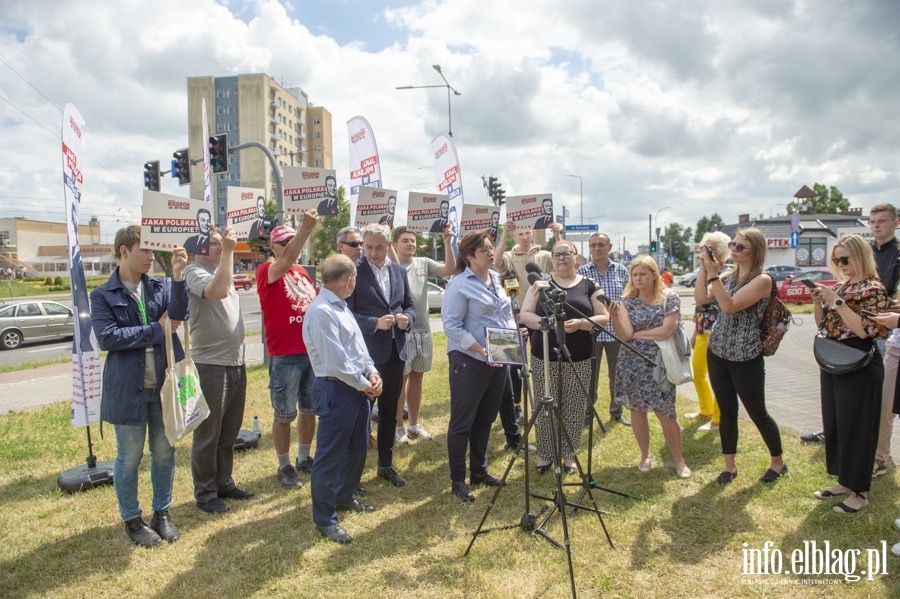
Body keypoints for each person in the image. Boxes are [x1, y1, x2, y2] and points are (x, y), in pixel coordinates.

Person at [90, 225, 188, 547]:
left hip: (163, 386)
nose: (150, 257)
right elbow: (108, 338)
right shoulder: (103, 295)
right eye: (144, 251)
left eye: (152, 251)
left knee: (164, 451)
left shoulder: (159, 286)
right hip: (128, 389)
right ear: (124, 251)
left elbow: (178, 315)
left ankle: (162, 513)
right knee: (129, 457)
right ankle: (132, 519)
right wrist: (154, 331)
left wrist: (177, 276)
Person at [802, 203, 900, 454]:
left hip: (882, 326)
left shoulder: (895, 256)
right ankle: (851, 442)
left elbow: (881, 301)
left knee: (880, 402)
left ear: (895, 223)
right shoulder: (860, 259)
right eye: (873, 221)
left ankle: (878, 455)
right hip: (854, 329)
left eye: (882, 221)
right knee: (849, 401)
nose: (876, 225)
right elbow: (825, 325)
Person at [696, 227, 787, 485]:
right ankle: (730, 466)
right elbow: (702, 299)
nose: (733, 250)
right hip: (719, 352)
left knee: (758, 412)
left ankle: (778, 462)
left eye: (740, 247)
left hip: (746, 356)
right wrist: (705, 269)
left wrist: (714, 275)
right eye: (733, 245)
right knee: (726, 412)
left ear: (755, 251)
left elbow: (730, 305)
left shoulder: (763, 280)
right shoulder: (726, 275)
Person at [304, 254, 382, 544]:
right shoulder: (323, 311)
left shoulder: (341, 307)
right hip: (337, 389)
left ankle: (345, 497)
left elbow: (358, 349)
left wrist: (372, 372)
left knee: (357, 448)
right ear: (349, 281)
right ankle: (325, 518)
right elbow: (336, 362)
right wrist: (366, 384)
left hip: (356, 388)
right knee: (331, 455)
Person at [809, 235, 889, 513]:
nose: (841, 265)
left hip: (860, 361)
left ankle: (859, 492)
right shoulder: (841, 286)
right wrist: (820, 302)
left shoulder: (874, 288)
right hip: (833, 357)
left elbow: (866, 330)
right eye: (837, 260)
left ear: (860, 256)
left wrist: (838, 302)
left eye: (846, 259)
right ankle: (844, 481)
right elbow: (823, 324)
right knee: (836, 423)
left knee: (857, 427)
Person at [520, 241, 610, 474]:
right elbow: (525, 314)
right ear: (552, 259)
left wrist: (581, 323)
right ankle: (547, 453)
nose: (561, 258)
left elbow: (604, 317)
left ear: (576, 258)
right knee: (545, 403)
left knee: (573, 405)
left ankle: (569, 453)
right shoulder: (540, 285)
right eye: (557, 254)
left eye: (566, 253)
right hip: (544, 356)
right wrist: (544, 324)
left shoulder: (590, 284)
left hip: (578, 357)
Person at [442, 230, 516, 502]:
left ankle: (479, 471)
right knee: (463, 422)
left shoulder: (498, 279)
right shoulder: (459, 284)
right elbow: (451, 326)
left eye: (490, 248)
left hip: (499, 357)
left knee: (486, 418)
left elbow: (504, 315)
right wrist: (479, 349)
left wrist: (515, 335)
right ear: (470, 256)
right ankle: (458, 479)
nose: (491, 252)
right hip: (470, 360)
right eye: (484, 249)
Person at [183, 226, 252, 514]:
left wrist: (225, 254)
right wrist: (229, 250)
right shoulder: (193, 271)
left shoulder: (219, 270)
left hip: (234, 362)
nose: (219, 245)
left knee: (228, 431)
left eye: (219, 242)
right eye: (212, 243)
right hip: (210, 364)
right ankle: (206, 492)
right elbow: (218, 291)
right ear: (197, 249)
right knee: (208, 434)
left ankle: (224, 482)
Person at [347, 223, 415, 487]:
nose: (373, 253)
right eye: (368, 247)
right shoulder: (354, 271)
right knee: (361, 413)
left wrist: (406, 320)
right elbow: (347, 313)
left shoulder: (398, 271)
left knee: (389, 412)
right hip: (366, 354)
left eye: (378, 247)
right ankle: (353, 473)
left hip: (396, 352)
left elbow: (409, 305)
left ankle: (385, 465)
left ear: (388, 246)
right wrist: (374, 323)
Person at [255, 211, 320, 488]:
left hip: (310, 352)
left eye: (293, 241)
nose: (292, 246)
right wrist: (305, 230)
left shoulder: (302, 272)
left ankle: (304, 457)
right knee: (284, 413)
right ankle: (284, 465)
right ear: (273, 247)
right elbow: (284, 263)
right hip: (285, 354)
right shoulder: (266, 269)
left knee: (309, 409)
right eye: (285, 242)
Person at [612, 256, 690, 478]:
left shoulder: (669, 298)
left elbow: (667, 330)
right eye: (634, 275)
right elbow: (625, 335)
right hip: (632, 363)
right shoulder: (627, 301)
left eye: (642, 274)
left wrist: (638, 334)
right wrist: (617, 320)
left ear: (654, 275)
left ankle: (679, 460)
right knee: (637, 410)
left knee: (666, 413)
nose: (637, 279)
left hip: (661, 364)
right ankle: (645, 455)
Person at [492, 220, 563, 423]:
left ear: (532, 233)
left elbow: (564, 257)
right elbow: (496, 262)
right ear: (516, 236)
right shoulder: (509, 255)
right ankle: (515, 406)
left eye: (527, 233)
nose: (524, 237)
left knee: (542, 357)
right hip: (515, 316)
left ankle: (545, 399)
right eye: (520, 234)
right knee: (515, 362)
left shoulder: (544, 255)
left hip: (539, 315)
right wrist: (503, 234)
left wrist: (557, 236)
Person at [390, 225, 455, 444]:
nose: (410, 244)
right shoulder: (391, 264)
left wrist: (447, 241)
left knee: (417, 378)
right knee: (401, 380)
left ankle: (414, 425)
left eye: (413, 240)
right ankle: (398, 427)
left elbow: (449, 269)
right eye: (405, 240)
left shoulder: (423, 263)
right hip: (401, 332)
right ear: (395, 244)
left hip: (423, 331)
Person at [577, 232, 631, 426]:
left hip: (616, 332)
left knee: (617, 375)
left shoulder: (621, 270)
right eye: (593, 246)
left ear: (609, 247)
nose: (597, 249)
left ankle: (617, 411)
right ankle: (587, 414)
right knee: (589, 376)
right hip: (592, 333)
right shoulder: (582, 272)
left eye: (601, 245)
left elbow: (628, 300)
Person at [683, 231, 731, 432]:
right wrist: (695, 332)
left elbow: (707, 299)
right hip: (704, 330)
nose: (704, 251)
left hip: (718, 332)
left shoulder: (726, 275)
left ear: (720, 252)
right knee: (698, 372)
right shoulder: (705, 272)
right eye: (703, 247)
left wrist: (708, 269)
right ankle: (706, 410)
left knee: (717, 377)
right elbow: (700, 304)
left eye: (708, 248)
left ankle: (718, 419)